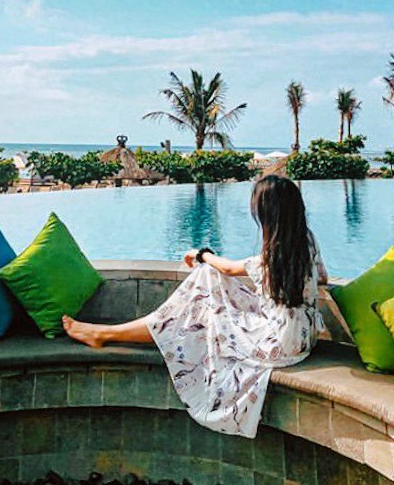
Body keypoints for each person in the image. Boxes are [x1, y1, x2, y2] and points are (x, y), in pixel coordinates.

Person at [63, 175, 328, 438]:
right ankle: (107, 333)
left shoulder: (270, 258)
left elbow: (228, 268)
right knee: (207, 284)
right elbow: (323, 278)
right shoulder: (308, 240)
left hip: (275, 345)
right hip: (302, 339)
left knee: (201, 296)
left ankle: (105, 333)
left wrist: (201, 254)